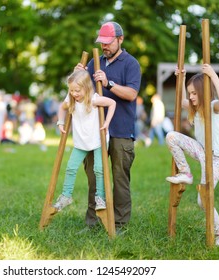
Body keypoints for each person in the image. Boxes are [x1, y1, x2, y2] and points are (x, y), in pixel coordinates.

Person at [75, 21, 141, 232]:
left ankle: (120, 224)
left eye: (108, 42)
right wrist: (79, 75)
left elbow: (131, 94)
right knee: (94, 179)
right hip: (95, 132)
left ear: (120, 40)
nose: (104, 46)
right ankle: (93, 222)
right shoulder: (96, 62)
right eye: (101, 42)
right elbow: (81, 92)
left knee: (120, 180)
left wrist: (109, 83)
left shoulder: (131, 63)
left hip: (121, 131)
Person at [165, 64, 219, 246]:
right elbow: (180, 101)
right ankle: (185, 173)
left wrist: (212, 74)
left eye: (194, 93)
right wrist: (181, 78)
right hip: (202, 152)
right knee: (171, 136)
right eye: (190, 93)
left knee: (203, 200)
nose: (191, 97)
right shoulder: (194, 107)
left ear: (203, 92)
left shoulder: (213, 107)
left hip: (217, 157)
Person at [53, 70, 116, 212]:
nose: (74, 93)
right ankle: (66, 196)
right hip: (81, 142)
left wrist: (107, 122)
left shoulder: (94, 99)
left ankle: (100, 197)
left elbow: (112, 103)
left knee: (99, 169)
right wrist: (60, 122)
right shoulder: (71, 100)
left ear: (86, 87)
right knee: (70, 168)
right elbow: (61, 108)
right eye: (71, 90)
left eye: (77, 90)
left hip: (98, 140)